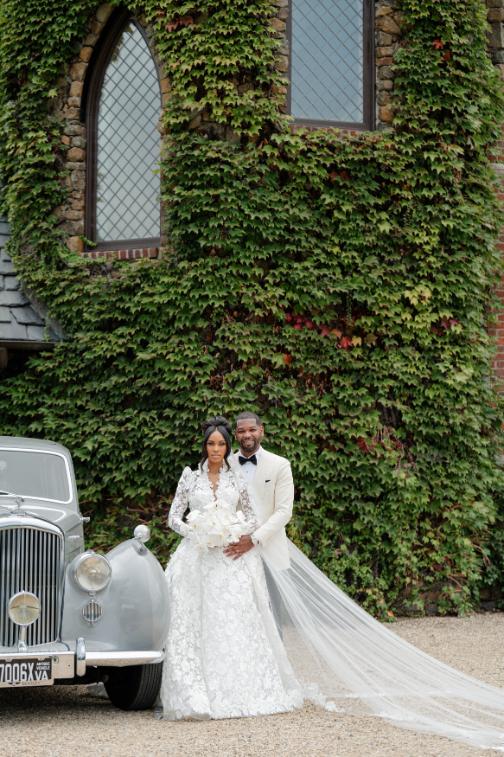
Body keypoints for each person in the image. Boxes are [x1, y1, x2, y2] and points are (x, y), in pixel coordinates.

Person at [160, 414, 504, 752]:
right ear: (209, 444)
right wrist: (200, 531)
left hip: (248, 550)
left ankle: (254, 684)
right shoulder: (197, 475)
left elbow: (276, 512)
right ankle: (200, 690)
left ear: (258, 432)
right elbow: (176, 515)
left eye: (227, 440)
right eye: (215, 442)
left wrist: (241, 534)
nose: (220, 446)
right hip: (205, 557)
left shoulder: (274, 466)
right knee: (201, 624)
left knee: (258, 624)